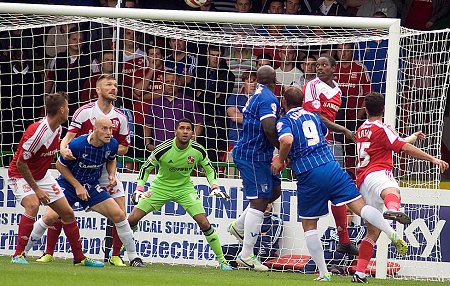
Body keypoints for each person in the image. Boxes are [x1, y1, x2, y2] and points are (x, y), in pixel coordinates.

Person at [272, 87, 408, 281]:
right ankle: (391, 232)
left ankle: (324, 273)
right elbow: (321, 134)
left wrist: (280, 159)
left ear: (284, 103)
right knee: (360, 208)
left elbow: (287, 140)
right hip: (332, 167)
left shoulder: (284, 121)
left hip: (310, 174)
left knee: (309, 225)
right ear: (303, 101)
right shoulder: (313, 116)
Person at [352, 92, 449, 283]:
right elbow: (402, 147)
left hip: (362, 181)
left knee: (372, 233)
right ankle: (392, 210)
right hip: (379, 173)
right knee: (393, 192)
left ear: (365, 109)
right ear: (383, 109)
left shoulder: (362, 128)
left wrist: (412, 137)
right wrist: (432, 158)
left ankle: (360, 273)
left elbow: (391, 143)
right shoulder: (383, 127)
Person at [36, 74, 131, 267]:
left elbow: (124, 147)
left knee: (120, 211)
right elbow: (69, 137)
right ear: (98, 90)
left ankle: (116, 255)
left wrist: (104, 150)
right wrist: (63, 149)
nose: (113, 88)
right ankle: (48, 252)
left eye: (115, 85)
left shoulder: (121, 117)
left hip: (105, 166)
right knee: (56, 212)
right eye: (109, 85)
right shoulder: (84, 112)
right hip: (79, 167)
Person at [29, 117, 144, 267]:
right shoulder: (77, 144)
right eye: (104, 129)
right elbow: (59, 165)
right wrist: (77, 186)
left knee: (119, 215)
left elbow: (111, 159)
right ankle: (22, 252)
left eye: (111, 129)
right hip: (69, 185)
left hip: (91, 186)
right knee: (50, 217)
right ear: (94, 129)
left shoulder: (113, 144)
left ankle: (133, 257)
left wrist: (111, 174)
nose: (109, 133)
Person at [8, 92, 103, 267]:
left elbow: (45, 155)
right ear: (61, 109)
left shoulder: (58, 128)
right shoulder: (38, 132)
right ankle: (18, 254)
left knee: (67, 213)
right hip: (20, 175)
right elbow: (21, 163)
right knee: (33, 205)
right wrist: (37, 190)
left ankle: (79, 258)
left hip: (42, 175)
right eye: (67, 107)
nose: (69, 109)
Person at [129, 118, 233, 270]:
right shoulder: (162, 149)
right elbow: (145, 168)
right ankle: (122, 250)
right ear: (176, 131)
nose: (185, 131)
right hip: (161, 188)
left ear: (192, 133)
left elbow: (209, 169)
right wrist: (139, 189)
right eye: (182, 128)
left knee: (204, 223)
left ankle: (222, 261)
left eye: (188, 129)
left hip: (185, 189)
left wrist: (214, 186)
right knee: (132, 219)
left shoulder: (198, 150)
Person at [302, 55, 359, 256]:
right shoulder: (312, 86)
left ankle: (343, 239)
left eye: (324, 65)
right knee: (332, 189)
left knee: (338, 192)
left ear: (334, 68)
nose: (319, 68)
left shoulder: (338, 90)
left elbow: (328, 118)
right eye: (317, 65)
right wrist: (344, 130)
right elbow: (315, 117)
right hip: (312, 144)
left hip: (328, 142)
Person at [229, 65, 282, 272]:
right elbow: (269, 127)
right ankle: (246, 255)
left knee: (274, 191)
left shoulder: (257, 93)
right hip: (253, 155)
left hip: (259, 154)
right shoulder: (269, 98)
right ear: (275, 80)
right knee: (259, 201)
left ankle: (239, 226)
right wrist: (281, 150)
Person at [144, 71, 203, 151]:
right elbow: (148, 125)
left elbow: (199, 124)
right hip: (160, 150)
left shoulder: (188, 101)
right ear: (163, 84)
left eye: (173, 81)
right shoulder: (155, 103)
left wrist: (191, 143)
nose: (170, 84)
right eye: (167, 82)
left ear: (178, 83)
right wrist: (148, 144)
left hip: (182, 151)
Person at [222, 203, 283, 268]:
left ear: (272, 205)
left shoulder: (276, 221)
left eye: (269, 203)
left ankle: (251, 263)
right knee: (224, 249)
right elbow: (243, 236)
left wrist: (254, 236)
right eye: (265, 203)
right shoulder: (250, 219)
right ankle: (236, 266)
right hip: (248, 246)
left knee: (258, 250)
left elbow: (270, 241)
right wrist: (261, 235)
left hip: (264, 248)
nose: (267, 205)